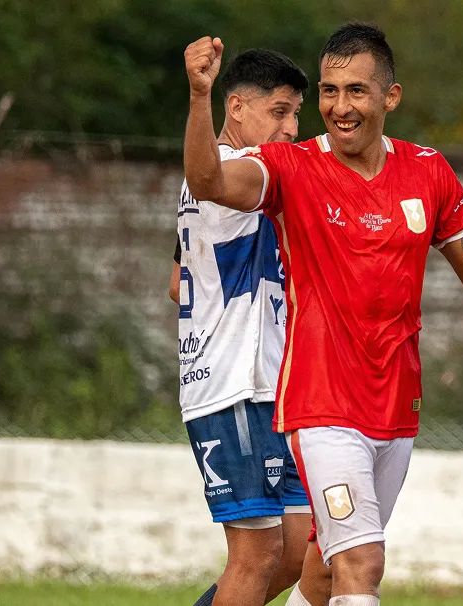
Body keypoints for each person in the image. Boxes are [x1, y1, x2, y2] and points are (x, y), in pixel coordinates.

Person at [183, 24, 463, 606]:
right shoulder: (292, 167)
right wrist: (198, 96)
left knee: (320, 568)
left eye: (356, 91)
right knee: (362, 561)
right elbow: (207, 179)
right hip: (320, 403)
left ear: (390, 97)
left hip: (394, 405)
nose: (339, 107)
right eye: (329, 92)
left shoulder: (429, 171)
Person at [175, 48, 314, 606]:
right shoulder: (227, 170)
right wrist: (196, 94)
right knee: (255, 557)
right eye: (279, 112)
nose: (291, 127)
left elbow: (176, 279)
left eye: (296, 114)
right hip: (232, 381)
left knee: (303, 550)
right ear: (236, 106)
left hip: (274, 385)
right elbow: (205, 176)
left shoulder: (262, 178)